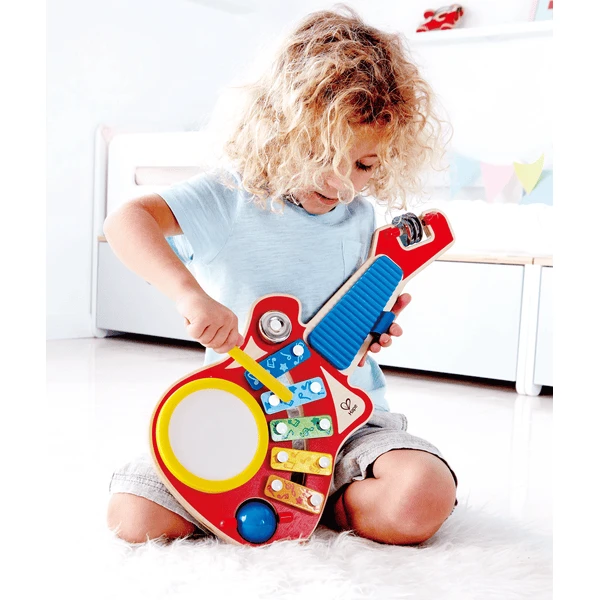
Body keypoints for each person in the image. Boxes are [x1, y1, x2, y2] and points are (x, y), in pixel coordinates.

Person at [104, 5, 457, 546]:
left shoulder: (363, 219)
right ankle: (284, 494)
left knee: (421, 495)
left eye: (363, 165)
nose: (341, 183)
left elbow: (343, 322)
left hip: (347, 421)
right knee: (133, 519)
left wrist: (372, 331)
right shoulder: (228, 197)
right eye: (321, 154)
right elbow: (127, 222)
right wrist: (189, 294)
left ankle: (322, 496)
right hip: (238, 419)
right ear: (278, 128)